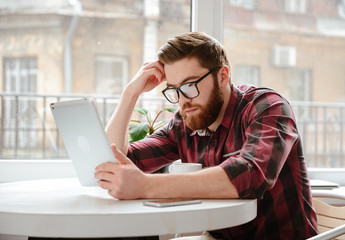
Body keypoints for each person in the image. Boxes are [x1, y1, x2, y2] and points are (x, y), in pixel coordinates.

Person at [94, 32, 318, 240]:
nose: (183, 100)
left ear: (222, 76)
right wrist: (130, 93)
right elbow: (113, 162)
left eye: (190, 85)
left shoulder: (267, 107)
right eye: (174, 89)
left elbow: (250, 174)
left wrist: (145, 186)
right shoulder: (185, 123)